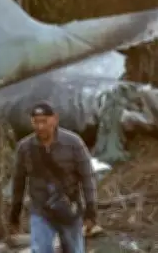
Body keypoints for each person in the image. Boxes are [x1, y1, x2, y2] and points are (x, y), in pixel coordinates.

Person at [9, 101, 97, 253]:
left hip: (69, 209)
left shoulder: (73, 142)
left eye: (44, 121)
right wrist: (14, 215)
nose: (40, 126)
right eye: (36, 122)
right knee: (41, 249)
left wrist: (91, 210)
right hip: (41, 211)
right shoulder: (25, 148)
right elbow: (18, 182)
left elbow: (87, 177)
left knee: (74, 250)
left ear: (55, 119)